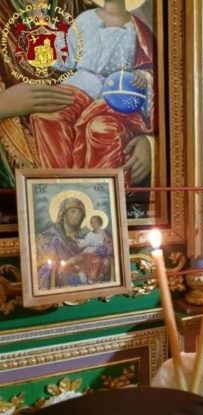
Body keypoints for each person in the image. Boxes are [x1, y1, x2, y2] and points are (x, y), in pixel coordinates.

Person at [29, 0, 154, 187]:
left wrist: (142, 77)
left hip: (115, 95)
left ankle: (99, 191)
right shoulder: (86, 19)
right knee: (46, 117)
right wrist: (39, 20)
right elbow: (66, 56)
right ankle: (60, 186)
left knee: (99, 129)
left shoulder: (137, 29)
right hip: (81, 86)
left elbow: (150, 69)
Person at [36, 197, 89, 289]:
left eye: (80, 213)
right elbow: (45, 265)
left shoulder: (85, 237)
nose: (77, 216)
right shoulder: (50, 237)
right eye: (73, 212)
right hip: (60, 278)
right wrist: (71, 262)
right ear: (63, 215)